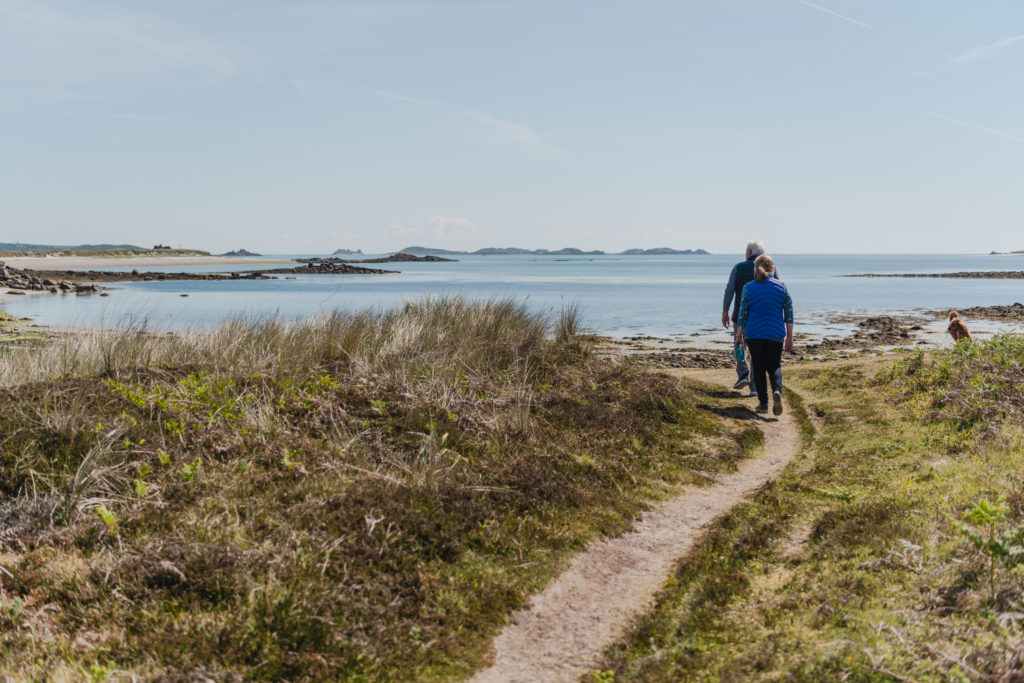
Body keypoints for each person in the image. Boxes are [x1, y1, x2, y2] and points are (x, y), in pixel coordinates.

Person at [735, 254, 794, 415]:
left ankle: (763, 404)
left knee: (759, 368)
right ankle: (777, 391)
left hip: (754, 334)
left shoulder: (748, 287)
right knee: (774, 365)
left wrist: (739, 336)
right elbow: (788, 313)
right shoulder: (781, 286)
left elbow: (742, 314)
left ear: (756, 268)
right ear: (772, 268)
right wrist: (790, 337)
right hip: (776, 333)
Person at [722, 240, 767, 392]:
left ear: (748, 252)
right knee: (757, 351)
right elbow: (777, 287)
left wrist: (725, 311)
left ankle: (742, 374)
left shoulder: (738, 268)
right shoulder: (769, 268)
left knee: (739, 344)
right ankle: (754, 386)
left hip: (740, 316)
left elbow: (729, 290)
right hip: (761, 317)